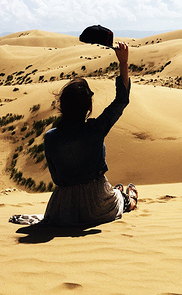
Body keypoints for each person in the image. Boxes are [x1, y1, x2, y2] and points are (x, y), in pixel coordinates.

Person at [42, 41, 137, 227]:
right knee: (123, 200)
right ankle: (129, 198)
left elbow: (56, 177)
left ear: (61, 106)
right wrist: (123, 63)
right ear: (89, 107)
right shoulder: (95, 129)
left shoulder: (50, 137)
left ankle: (118, 193)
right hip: (97, 204)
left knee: (114, 192)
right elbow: (121, 100)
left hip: (62, 209)